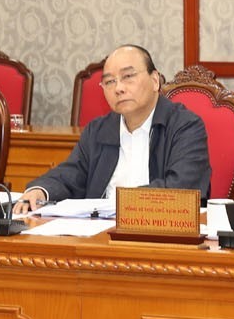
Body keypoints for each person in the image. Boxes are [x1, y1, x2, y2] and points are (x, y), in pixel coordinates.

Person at [12, 45, 209, 213]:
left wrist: (119, 203)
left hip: (157, 233)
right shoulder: (98, 130)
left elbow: (182, 189)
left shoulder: (185, 126)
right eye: (109, 82)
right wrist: (40, 190)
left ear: (155, 80)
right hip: (100, 234)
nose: (118, 88)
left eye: (128, 76)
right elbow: (71, 174)